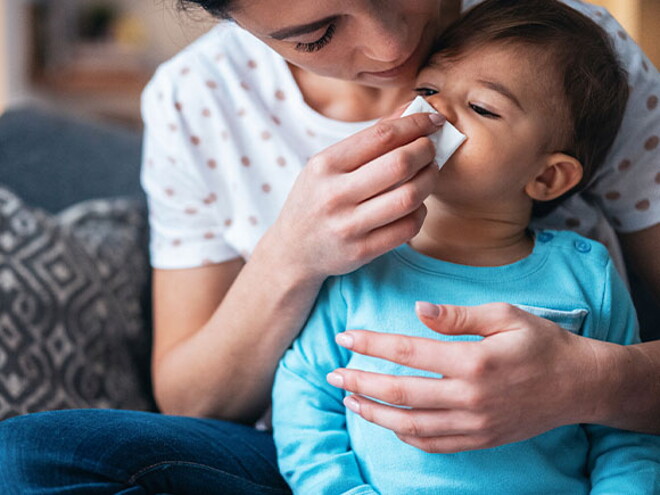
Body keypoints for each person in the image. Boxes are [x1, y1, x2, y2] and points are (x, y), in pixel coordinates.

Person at [0, 0, 657, 492]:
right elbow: (205, 403)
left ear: (551, 175)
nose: (395, 47)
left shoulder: (568, 57)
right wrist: (293, 255)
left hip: (560, 467)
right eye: (318, 33)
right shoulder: (197, 101)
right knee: (30, 455)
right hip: (330, 462)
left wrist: (594, 381)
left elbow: (627, 445)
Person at [271, 1, 660, 493]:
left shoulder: (587, 277)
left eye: (481, 108)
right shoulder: (362, 262)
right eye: (427, 89)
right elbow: (305, 395)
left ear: (547, 176)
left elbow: (626, 436)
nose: (434, 112)